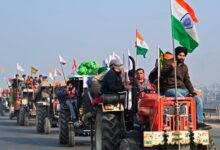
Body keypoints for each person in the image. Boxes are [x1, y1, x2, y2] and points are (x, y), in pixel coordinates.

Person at [160, 46, 211, 129]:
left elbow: (187, 80)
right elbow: (162, 76)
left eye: (183, 56)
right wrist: (171, 68)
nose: (182, 57)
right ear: (176, 55)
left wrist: (192, 91)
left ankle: (199, 123)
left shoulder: (185, 67)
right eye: (180, 55)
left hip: (182, 89)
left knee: (198, 99)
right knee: (181, 99)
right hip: (170, 89)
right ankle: (179, 121)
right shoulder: (168, 63)